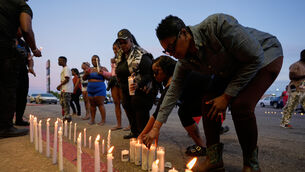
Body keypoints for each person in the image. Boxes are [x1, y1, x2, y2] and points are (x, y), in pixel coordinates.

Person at [143, 14, 283, 172]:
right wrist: (156, 128)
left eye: (172, 47)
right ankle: (214, 159)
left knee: (241, 105)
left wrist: (227, 96)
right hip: (232, 68)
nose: (171, 53)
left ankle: (251, 164)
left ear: (183, 33)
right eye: (167, 51)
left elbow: (255, 57)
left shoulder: (217, 26)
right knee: (208, 102)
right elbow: (172, 91)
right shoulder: (185, 61)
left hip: (265, 55)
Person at [139, 56, 229, 156]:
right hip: (201, 96)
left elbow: (158, 113)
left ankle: (212, 153)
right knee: (184, 112)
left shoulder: (176, 79)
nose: (155, 75)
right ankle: (202, 147)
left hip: (216, 94)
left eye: (157, 71)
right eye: (153, 73)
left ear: (167, 69)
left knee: (185, 111)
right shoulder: (175, 79)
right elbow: (160, 111)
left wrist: (141, 135)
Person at [0, 0, 41, 138]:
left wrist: (30, 66)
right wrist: (35, 49)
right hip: (4, 50)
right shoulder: (21, 6)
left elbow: (28, 57)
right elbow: (26, 28)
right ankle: (5, 127)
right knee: (7, 88)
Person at [115, 29, 155, 139]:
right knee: (128, 108)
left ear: (131, 40)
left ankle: (144, 134)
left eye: (125, 42)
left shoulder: (141, 54)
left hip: (140, 89)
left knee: (139, 109)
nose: (123, 45)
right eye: (120, 43)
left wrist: (139, 84)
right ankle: (134, 132)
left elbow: (149, 73)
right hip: (125, 88)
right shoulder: (120, 55)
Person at [15, 28, 36, 126]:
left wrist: (30, 67)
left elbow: (29, 57)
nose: (22, 31)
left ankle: (19, 119)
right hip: (9, 70)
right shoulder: (6, 39)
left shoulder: (24, 44)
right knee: (9, 95)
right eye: (20, 29)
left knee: (22, 95)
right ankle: (6, 121)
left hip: (22, 71)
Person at [281, 50, 305, 129]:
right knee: (291, 106)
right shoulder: (296, 65)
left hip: (303, 89)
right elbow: (291, 77)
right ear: (302, 56)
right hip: (295, 88)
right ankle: (284, 123)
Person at [83, 55, 109, 125]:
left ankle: (103, 120)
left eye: (95, 60)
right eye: (92, 60)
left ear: (99, 60)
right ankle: (92, 120)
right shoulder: (89, 69)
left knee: (100, 104)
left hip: (100, 89)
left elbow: (109, 78)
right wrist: (86, 74)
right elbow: (84, 78)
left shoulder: (103, 68)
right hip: (90, 89)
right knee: (92, 105)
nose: (94, 61)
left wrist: (103, 73)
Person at [106, 41, 125, 131]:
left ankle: (131, 125)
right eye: (113, 49)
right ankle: (119, 124)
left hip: (122, 80)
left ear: (120, 48)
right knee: (116, 103)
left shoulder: (125, 56)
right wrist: (104, 73)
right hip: (114, 81)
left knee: (125, 103)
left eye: (116, 48)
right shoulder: (113, 59)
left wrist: (117, 60)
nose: (114, 51)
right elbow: (112, 72)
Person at [57, 56, 73, 122]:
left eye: (60, 60)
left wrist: (59, 85)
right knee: (63, 103)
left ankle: (67, 117)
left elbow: (67, 79)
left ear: (64, 61)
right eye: (58, 60)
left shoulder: (66, 69)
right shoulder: (64, 69)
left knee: (66, 104)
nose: (58, 62)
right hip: (64, 89)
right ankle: (65, 116)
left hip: (66, 89)